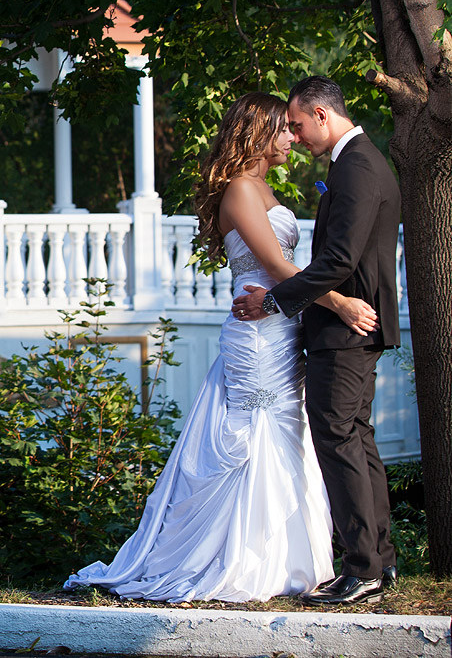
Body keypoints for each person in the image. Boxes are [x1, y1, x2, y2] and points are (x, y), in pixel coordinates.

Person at [65, 92, 377, 602]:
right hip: (256, 336)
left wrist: (290, 303)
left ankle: (292, 559)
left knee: (289, 432)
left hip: (280, 327)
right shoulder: (239, 189)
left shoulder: (264, 187)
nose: (292, 139)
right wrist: (341, 303)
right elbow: (277, 269)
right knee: (255, 435)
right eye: (283, 130)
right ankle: (243, 560)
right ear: (257, 132)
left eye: (294, 129)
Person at [232, 76, 401, 605]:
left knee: (338, 438)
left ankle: (362, 568)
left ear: (322, 116)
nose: (297, 136)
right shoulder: (359, 162)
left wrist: (276, 301)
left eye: (300, 124)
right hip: (351, 326)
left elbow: (337, 262)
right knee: (356, 436)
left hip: (346, 328)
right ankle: (379, 561)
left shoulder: (356, 167)